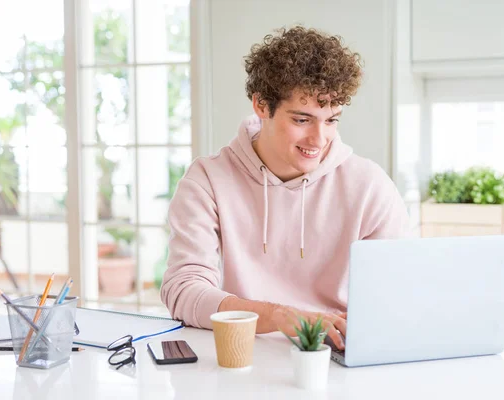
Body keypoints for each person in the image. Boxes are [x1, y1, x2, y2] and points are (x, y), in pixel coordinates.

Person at [160, 26, 411, 350]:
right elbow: (183, 291)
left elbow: (399, 293)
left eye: (331, 120)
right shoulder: (207, 180)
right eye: (302, 120)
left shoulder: (369, 186)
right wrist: (279, 316)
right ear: (262, 105)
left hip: (335, 358)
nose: (319, 140)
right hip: (241, 356)